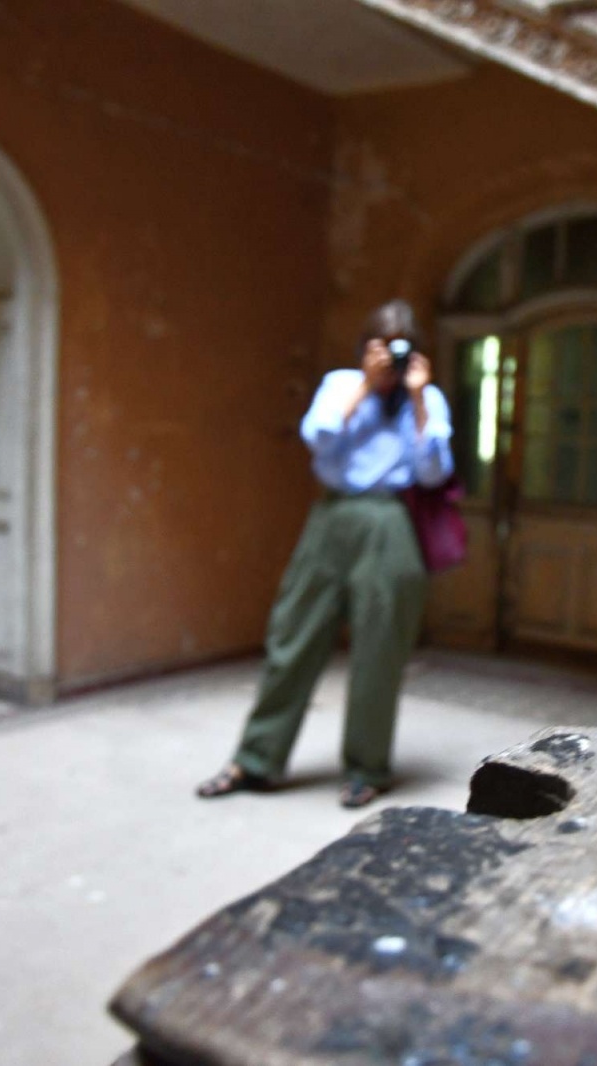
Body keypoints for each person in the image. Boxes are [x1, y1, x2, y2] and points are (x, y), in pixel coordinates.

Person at [196, 300, 454, 808]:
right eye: (384, 348)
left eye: (403, 351)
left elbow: (434, 474)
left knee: (380, 649)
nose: (393, 362)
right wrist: (365, 384)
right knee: (293, 633)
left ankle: (367, 767)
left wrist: (418, 398)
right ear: (365, 349)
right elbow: (319, 437)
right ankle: (256, 760)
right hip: (333, 516)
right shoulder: (341, 384)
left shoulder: (426, 398)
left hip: (388, 521)